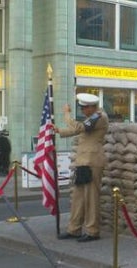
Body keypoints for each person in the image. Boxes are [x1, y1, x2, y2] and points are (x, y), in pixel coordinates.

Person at [55, 93, 109, 242]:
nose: (83, 111)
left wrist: (66, 114)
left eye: (84, 108)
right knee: (78, 197)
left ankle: (92, 231)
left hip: (92, 161)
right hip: (83, 161)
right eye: (82, 108)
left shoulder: (99, 117)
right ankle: (74, 229)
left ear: (92, 107)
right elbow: (78, 130)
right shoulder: (91, 118)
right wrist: (59, 131)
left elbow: (79, 127)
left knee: (91, 198)